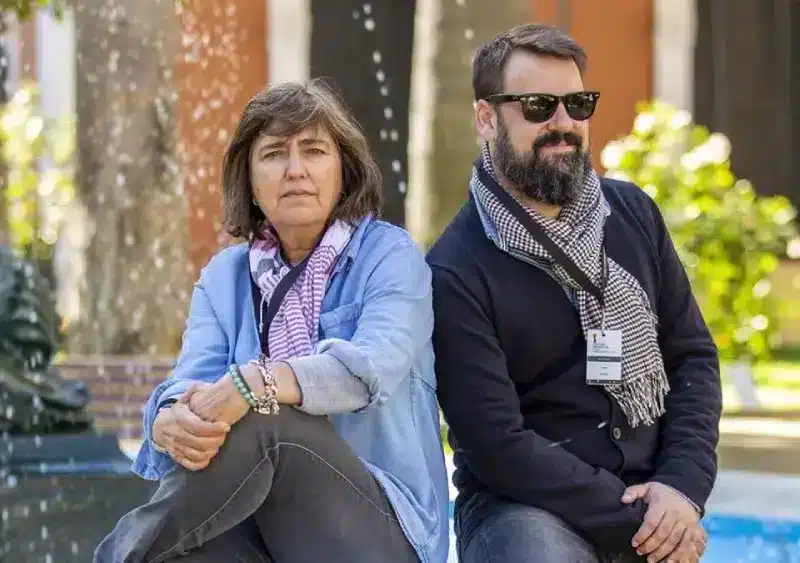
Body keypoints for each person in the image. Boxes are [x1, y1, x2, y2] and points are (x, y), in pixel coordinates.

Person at [95, 79, 449, 563]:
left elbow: (370, 370)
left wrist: (256, 382)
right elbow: (191, 381)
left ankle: (116, 557)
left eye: (314, 150)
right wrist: (169, 421)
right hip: (262, 525)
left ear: (343, 172)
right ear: (251, 183)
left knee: (266, 417)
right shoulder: (226, 276)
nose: (295, 170)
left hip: (382, 530)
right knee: (193, 550)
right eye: (275, 153)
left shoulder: (389, 255)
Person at [427, 23, 722, 563]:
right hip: (524, 514)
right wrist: (643, 521)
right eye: (539, 106)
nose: (563, 125)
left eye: (578, 104)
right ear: (486, 118)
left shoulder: (633, 214)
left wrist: (681, 488)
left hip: (654, 499)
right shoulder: (455, 269)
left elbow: (693, 359)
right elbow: (496, 446)